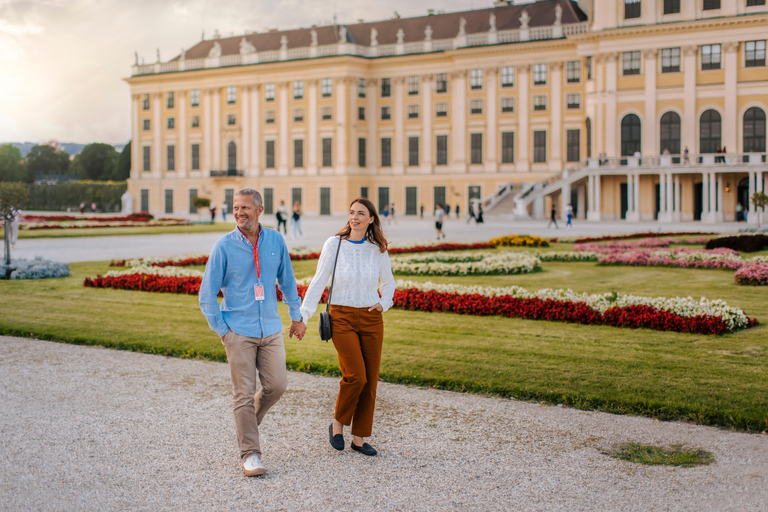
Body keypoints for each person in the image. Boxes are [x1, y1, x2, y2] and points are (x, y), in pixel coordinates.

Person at [199, 188, 306, 477]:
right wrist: (223, 331)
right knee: (242, 395)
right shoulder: (223, 246)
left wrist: (296, 316)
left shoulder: (275, 240)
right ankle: (250, 453)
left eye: (245, 207)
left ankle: (245, 425)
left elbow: (287, 281)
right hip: (239, 331)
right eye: (235, 208)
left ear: (259, 210)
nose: (239, 213)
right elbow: (206, 294)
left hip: (270, 329)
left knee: (277, 386)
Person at [299, 198, 395, 457]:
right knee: (356, 375)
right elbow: (319, 282)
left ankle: (359, 438)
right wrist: (303, 315)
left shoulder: (378, 249)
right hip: (341, 317)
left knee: (370, 380)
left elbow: (388, 283)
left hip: (372, 317)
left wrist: (383, 303)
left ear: (371, 219)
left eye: (360, 213)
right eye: (352, 213)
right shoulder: (334, 244)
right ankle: (337, 424)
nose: (355, 217)